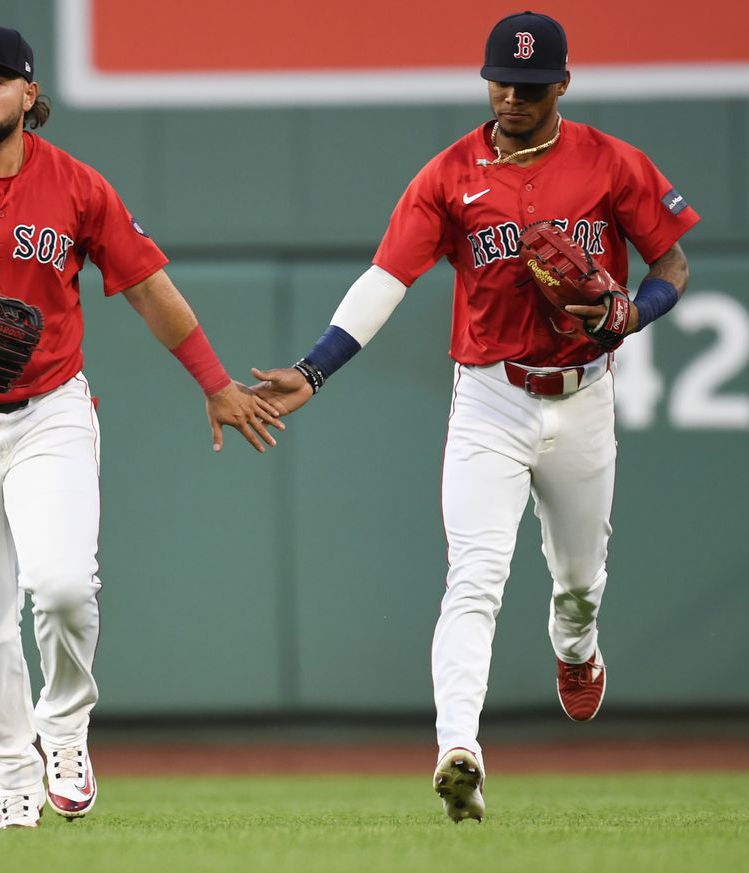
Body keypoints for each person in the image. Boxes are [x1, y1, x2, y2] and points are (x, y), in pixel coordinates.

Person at [0, 23, 282, 829]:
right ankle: (12, 775)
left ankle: (64, 729)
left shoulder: (76, 185)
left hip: (50, 411)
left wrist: (215, 383)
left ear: (30, 94)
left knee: (62, 586)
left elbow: (146, 287)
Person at [251, 11, 698, 822]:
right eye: (500, 80)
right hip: (489, 396)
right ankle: (459, 748)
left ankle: (577, 649)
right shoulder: (450, 176)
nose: (511, 95)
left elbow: (671, 260)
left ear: (561, 84)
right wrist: (316, 369)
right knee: (474, 578)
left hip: (583, 393)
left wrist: (637, 311)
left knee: (577, 584)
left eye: (529, 85)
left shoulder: (610, 162)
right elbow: (387, 279)